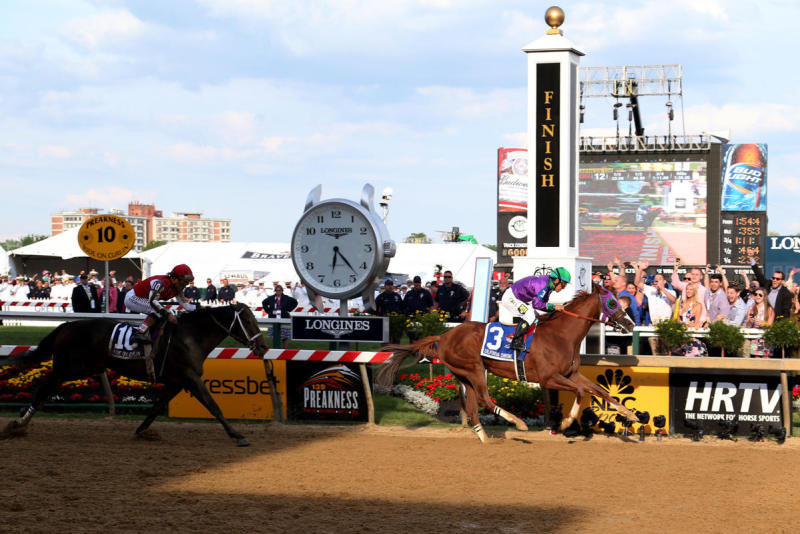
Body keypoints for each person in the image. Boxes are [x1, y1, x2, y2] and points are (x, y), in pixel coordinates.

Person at [502, 267, 570, 352]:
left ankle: (529, 341)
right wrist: (554, 307)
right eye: (563, 284)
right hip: (510, 298)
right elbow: (536, 304)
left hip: (518, 298)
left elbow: (543, 305)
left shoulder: (549, 286)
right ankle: (516, 342)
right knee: (529, 314)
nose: (563, 288)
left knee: (537, 317)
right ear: (556, 280)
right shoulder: (543, 284)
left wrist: (554, 309)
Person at [126, 264, 196, 345]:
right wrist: (168, 314)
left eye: (187, 283)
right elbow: (153, 301)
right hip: (132, 297)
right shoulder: (160, 283)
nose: (185, 285)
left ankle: (153, 336)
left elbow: (186, 305)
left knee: (163, 312)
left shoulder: (178, 287)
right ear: (174, 278)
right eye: (184, 282)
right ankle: (138, 334)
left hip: (145, 299)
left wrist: (199, 308)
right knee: (157, 310)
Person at [261, 284, 298, 349]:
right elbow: (264, 302)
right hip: (273, 318)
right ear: (275, 291)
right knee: (275, 335)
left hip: (284, 317)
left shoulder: (286, 298)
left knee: (285, 336)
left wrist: (288, 309)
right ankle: (276, 348)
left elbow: (295, 302)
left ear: (282, 291)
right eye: (277, 290)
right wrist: (269, 311)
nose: (278, 292)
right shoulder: (271, 298)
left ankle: (285, 349)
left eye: (279, 290)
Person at [745, 288, 775, 357]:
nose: (757, 296)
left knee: (766, 359)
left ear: (764, 297)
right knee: (757, 359)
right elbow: (747, 325)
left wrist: (762, 323)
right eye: (756, 294)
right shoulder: (751, 308)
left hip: (765, 338)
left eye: (760, 295)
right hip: (755, 338)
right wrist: (749, 321)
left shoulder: (769, 309)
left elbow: (770, 325)